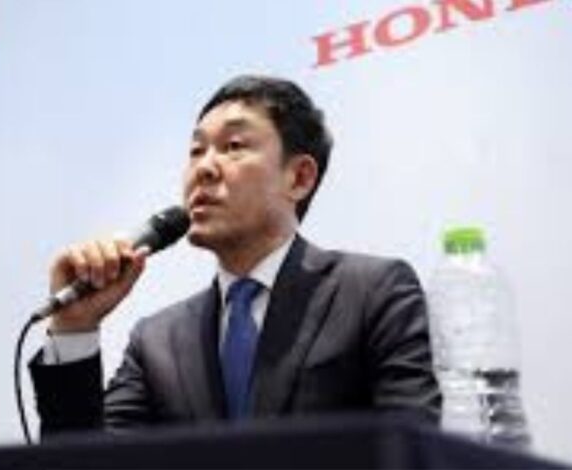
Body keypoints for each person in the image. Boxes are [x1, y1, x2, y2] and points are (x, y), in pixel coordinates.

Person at [30, 75, 441, 435]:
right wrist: (74, 328)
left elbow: (411, 447)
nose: (204, 168)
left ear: (299, 178)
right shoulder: (157, 341)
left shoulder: (371, 293)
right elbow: (88, 462)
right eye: (196, 150)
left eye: (233, 145)